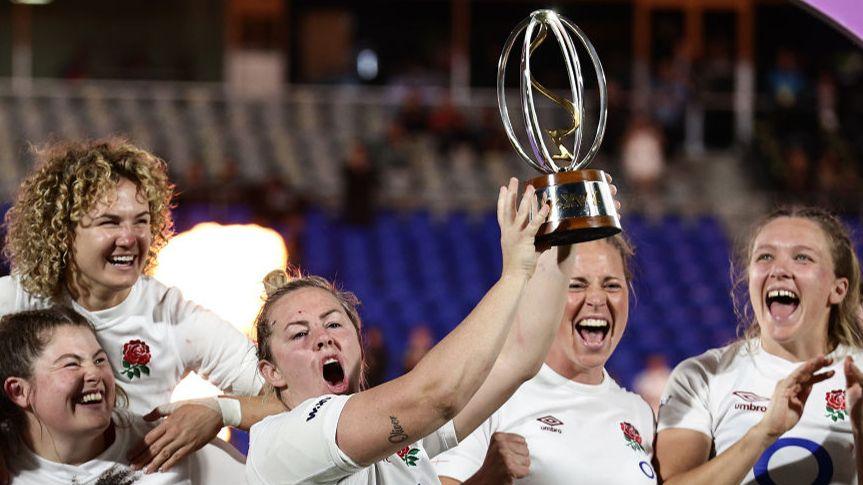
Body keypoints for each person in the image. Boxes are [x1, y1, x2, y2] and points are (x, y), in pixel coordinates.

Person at [244, 178, 598, 484]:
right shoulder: (283, 441)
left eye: (334, 323)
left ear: (360, 346)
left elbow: (519, 356)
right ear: (271, 372)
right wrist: (514, 275)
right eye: (298, 334)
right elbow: (436, 397)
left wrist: (566, 231)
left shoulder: (392, 439)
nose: (323, 337)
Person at [0, 139, 275, 475]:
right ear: (64, 232)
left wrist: (221, 412)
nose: (130, 238)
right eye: (110, 222)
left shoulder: (174, 318)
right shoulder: (16, 301)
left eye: (141, 221)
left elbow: (287, 399)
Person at [655, 206, 863, 484]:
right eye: (765, 256)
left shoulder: (858, 376)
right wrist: (762, 433)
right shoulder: (702, 376)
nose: (778, 269)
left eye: (802, 258)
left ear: (838, 289)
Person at [434, 235, 657, 484]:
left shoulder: (640, 413)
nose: (596, 298)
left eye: (612, 285)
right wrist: (486, 480)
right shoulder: (490, 397)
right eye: (576, 285)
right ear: (546, 296)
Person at [1, 306, 190, 484]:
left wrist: (218, 410)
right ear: (18, 391)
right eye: (71, 364)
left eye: (100, 360)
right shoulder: (8, 463)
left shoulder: (168, 445)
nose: (95, 373)